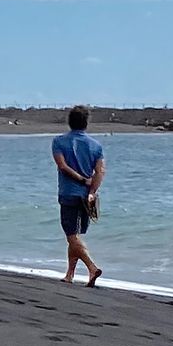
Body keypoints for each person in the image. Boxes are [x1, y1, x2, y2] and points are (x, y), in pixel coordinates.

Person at [52, 105, 105, 285]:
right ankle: (70, 275)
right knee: (74, 235)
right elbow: (100, 172)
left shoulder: (59, 141)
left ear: (69, 122)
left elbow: (63, 166)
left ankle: (92, 267)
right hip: (85, 197)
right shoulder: (95, 145)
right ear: (86, 123)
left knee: (72, 236)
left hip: (69, 193)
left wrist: (82, 181)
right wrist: (92, 192)